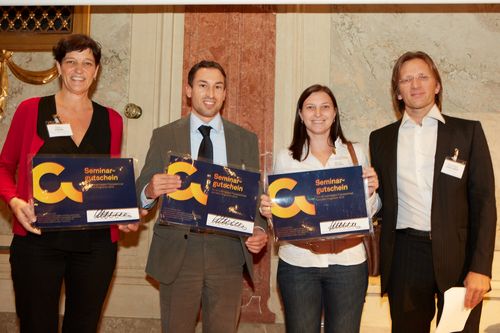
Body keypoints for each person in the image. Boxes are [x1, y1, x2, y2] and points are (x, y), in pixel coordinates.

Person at [0, 34, 138, 333]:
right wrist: (14, 200)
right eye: (71, 61)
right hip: (38, 241)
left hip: (96, 246)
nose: (79, 69)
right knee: (37, 325)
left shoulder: (112, 119)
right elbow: (4, 167)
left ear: (96, 70)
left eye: (87, 63)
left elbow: (104, 180)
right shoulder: (30, 110)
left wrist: (122, 212)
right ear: (59, 68)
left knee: (84, 326)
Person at [135, 60, 268, 333]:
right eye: (203, 85)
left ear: (225, 93)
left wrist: (258, 228)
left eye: (218, 87)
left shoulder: (245, 139)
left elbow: (253, 197)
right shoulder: (164, 136)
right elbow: (140, 195)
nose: (211, 94)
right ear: (188, 90)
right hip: (179, 253)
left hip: (228, 252)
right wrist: (149, 190)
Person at [369, 51, 497, 333]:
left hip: (460, 255)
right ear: (398, 92)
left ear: (437, 85)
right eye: (406, 79)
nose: (415, 84)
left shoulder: (467, 133)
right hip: (405, 255)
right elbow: (382, 203)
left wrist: (481, 268)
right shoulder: (380, 139)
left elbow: (485, 204)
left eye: (423, 77)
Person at [259, 84, 381, 333]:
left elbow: (370, 212)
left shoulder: (354, 153)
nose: (318, 113)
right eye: (310, 107)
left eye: (325, 107)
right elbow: (280, 217)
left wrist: (370, 193)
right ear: (301, 114)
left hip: (349, 263)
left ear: (335, 113)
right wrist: (271, 213)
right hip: (298, 264)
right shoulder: (286, 158)